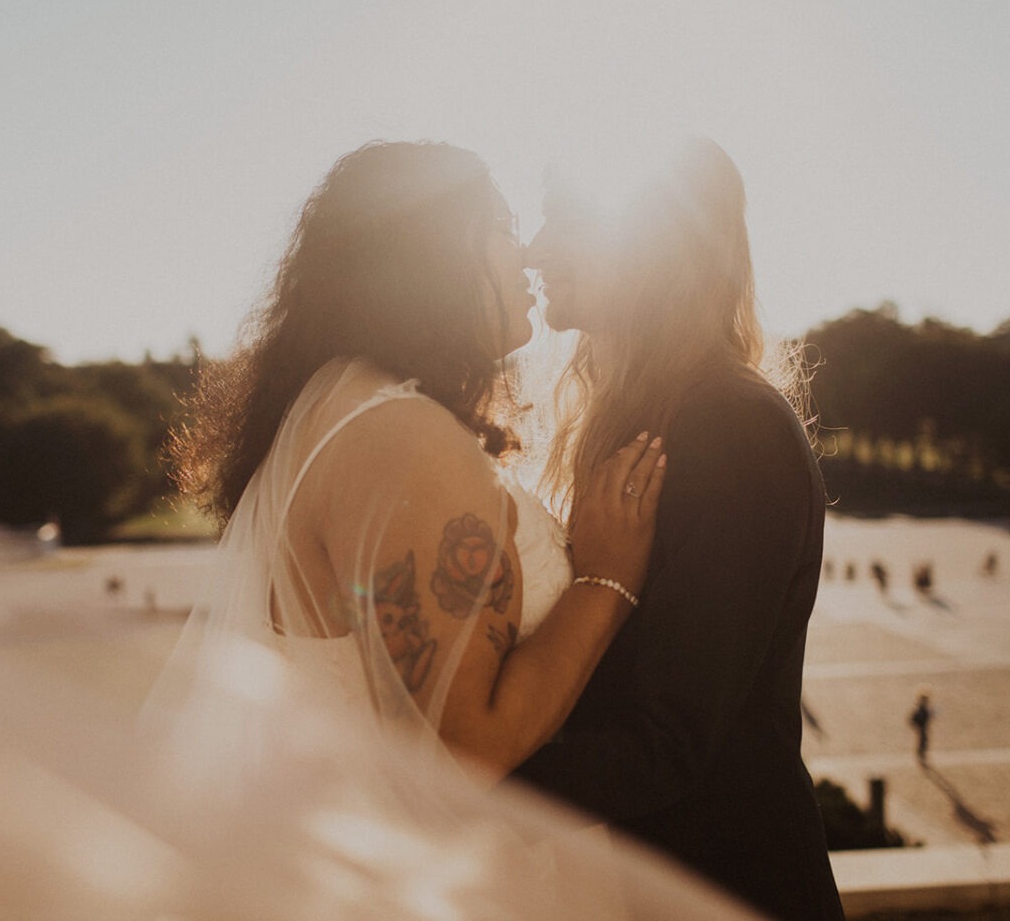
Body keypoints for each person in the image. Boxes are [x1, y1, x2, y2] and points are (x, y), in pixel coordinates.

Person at [157, 140, 667, 777]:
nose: (529, 256)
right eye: (504, 228)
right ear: (434, 256)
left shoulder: (352, 407)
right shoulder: (402, 435)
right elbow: (462, 751)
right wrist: (605, 583)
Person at [513, 136, 844, 919]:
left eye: (564, 221)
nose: (533, 248)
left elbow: (667, 742)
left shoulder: (732, 428)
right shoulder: (665, 414)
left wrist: (453, 781)